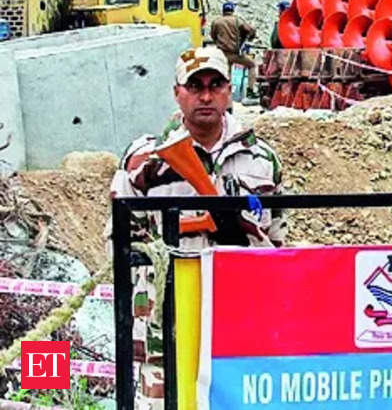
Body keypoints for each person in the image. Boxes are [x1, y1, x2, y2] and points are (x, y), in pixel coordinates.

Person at [107, 47, 285, 409]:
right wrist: (170, 247)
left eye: (215, 84)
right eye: (195, 86)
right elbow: (120, 242)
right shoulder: (146, 160)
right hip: (166, 322)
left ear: (229, 90)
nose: (206, 96)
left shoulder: (262, 160)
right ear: (177, 93)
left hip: (239, 314)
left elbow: (278, 243)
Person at [209, 1, 258, 96]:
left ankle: (226, 93)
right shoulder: (237, 21)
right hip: (235, 53)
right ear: (232, 10)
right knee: (251, 65)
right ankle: (250, 91)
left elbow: (213, 36)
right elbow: (250, 30)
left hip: (222, 54)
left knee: (227, 72)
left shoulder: (216, 22)